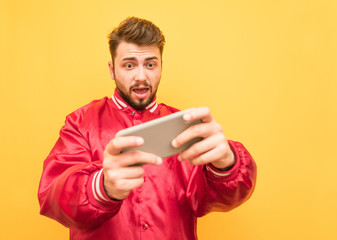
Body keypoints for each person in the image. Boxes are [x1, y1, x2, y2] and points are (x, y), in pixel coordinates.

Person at [38, 16, 257, 240]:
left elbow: (217, 197)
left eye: (150, 64)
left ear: (161, 66)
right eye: (129, 65)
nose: (141, 76)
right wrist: (102, 186)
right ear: (112, 70)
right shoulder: (81, 122)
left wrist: (227, 164)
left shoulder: (187, 127)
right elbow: (51, 196)